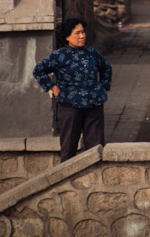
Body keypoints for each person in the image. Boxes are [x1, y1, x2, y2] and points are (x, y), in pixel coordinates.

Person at [33, 18, 112, 162]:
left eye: (83, 32)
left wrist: (102, 86)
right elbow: (38, 70)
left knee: (96, 146)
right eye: (77, 33)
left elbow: (106, 67)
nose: (82, 36)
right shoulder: (60, 55)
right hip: (70, 106)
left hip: (93, 104)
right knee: (69, 145)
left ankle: (93, 179)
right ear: (68, 37)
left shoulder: (92, 52)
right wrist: (52, 86)